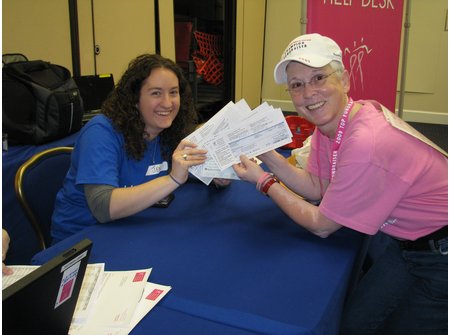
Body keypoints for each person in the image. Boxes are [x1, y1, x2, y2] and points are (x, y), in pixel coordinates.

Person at [232, 33, 448, 335]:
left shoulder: (365, 141)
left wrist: (265, 181)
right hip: (408, 243)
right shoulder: (334, 122)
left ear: (344, 80)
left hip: (441, 254)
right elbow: (318, 186)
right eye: (297, 84)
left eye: (318, 77)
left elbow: (322, 225)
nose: (308, 93)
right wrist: (268, 155)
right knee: (355, 324)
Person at [51, 54, 229, 244]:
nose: (168, 103)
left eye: (173, 92)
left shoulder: (169, 130)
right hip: (83, 240)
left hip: (133, 227)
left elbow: (185, 169)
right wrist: (173, 179)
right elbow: (103, 207)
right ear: (135, 98)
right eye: (156, 93)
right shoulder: (101, 132)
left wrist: (216, 173)